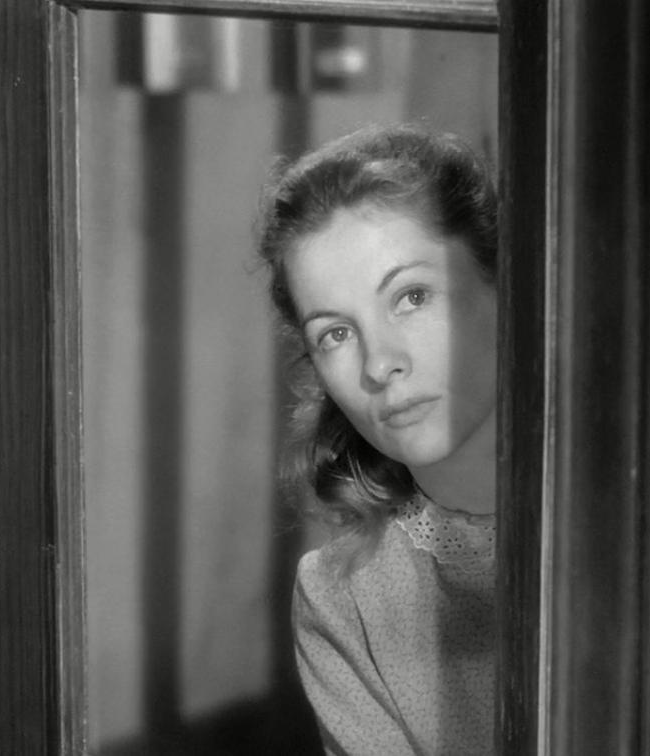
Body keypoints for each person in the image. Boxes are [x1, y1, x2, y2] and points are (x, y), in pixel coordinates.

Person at [257, 123, 498, 755]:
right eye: (335, 334)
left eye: (412, 296)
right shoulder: (342, 598)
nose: (379, 363)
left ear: (504, 287)